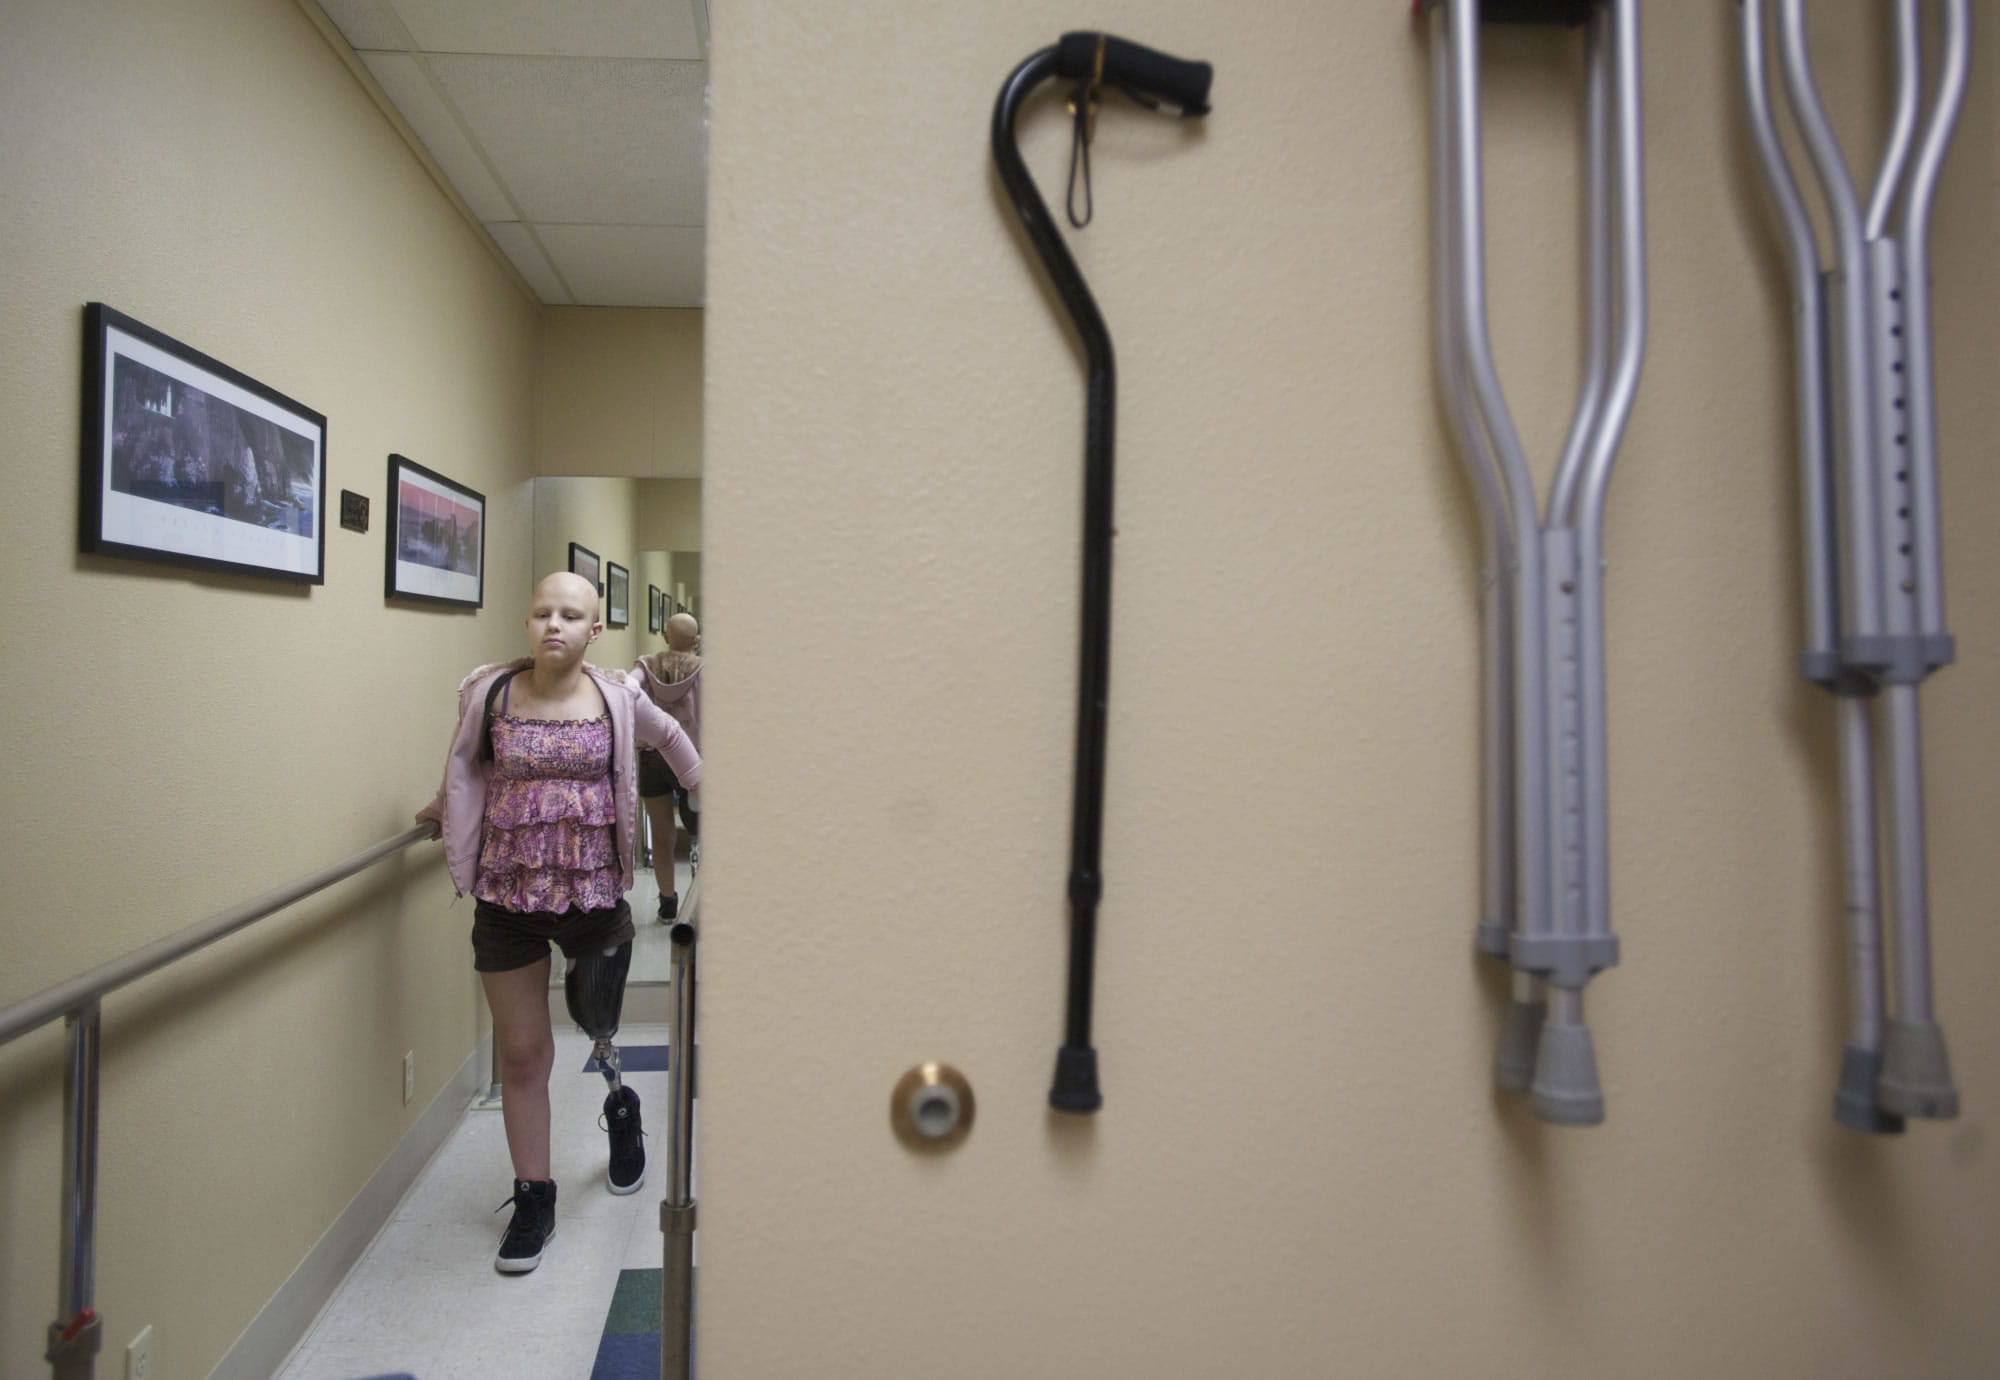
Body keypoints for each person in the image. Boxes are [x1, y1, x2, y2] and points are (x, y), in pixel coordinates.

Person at [417, 572, 701, 1274]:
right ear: (527, 622)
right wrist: (439, 810)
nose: (554, 625)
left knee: (597, 1021)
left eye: (570, 615)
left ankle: (619, 1099)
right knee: (522, 1056)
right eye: (542, 612)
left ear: (594, 630)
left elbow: (678, 747)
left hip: (595, 897)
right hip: (506, 897)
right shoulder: (491, 693)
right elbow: (466, 766)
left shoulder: (618, 698)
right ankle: (534, 1197)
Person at [633, 610, 703, 920]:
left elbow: (627, 693)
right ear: (697, 641)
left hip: (652, 758)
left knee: (662, 835)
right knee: (703, 835)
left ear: (665, 636)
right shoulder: (704, 670)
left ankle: (667, 902)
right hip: (693, 759)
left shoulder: (645, 667)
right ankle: (700, 900)